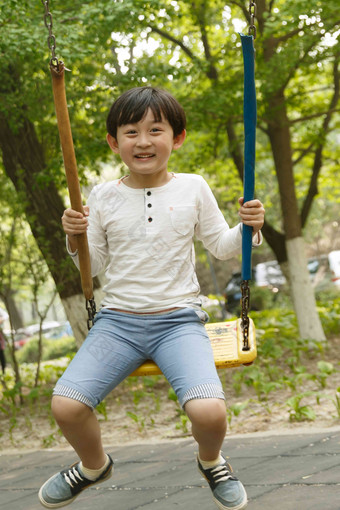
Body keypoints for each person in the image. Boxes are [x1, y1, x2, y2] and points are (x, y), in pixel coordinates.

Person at [39, 86, 265, 510]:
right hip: (118, 323)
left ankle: (211, 461)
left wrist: (249, 227)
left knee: (209, 414)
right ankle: (93, 466)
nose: (143, 141)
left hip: (179, 321)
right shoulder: (104, 195)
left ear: (176, 138)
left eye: (155, 130)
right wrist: (76, 237)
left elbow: (221, 245)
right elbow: (96, 263)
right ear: (114, 141)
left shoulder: (193, 188)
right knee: (66, 407)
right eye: (131, 132)